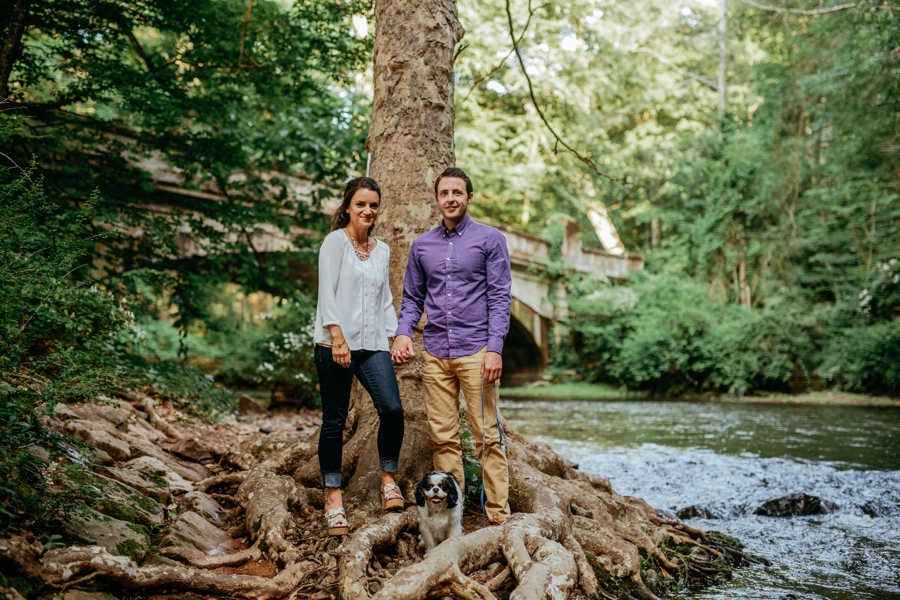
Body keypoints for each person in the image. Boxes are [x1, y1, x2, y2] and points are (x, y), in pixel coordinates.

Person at [391, 167, 512, 525]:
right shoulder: (421, 246)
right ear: (437, 199)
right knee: (443, 439)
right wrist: (402, 331)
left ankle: (499, 516)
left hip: (477, 351)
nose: (451, 199)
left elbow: (500, 297)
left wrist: (495, 348)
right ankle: (451, 517)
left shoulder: (489, 239)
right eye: (445, 193)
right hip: (436, 353)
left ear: (469, 197)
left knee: (488, 436)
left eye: (457, 193)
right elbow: (412, 297)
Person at [314, 177, 405, 536]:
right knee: (334, 420)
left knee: (393, 409)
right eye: (361, 204)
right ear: (348, 207)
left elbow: (384, 300)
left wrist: (396, 337)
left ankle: (388, 479)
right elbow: (327, 292)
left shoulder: (381, 250)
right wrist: (336, 337)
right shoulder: (335, 242)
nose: (368, 211)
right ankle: (333, 496)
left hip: (371, 345)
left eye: (373, 205)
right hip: (334, 343)